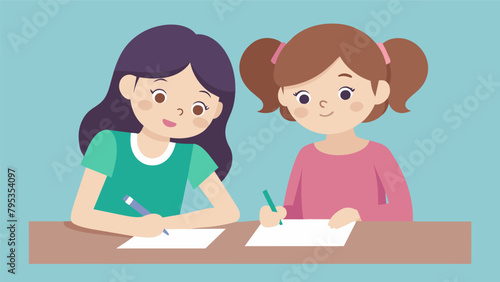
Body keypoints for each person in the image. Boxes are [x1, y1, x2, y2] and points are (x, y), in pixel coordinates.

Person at [240, 24, 428, 228]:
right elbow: (296, 214)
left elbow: (403, 212)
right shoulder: (306, 156)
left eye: (345, 93)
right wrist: (279, 215)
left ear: (379, 91)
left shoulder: (379, 155)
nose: (323, 105)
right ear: (283, 96)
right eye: (304, 97)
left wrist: (360, 215)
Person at [71, 25, 239, 237]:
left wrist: (168, 223)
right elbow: (81, 214)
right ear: (129, 86)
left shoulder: (193, 156)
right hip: (104, 246)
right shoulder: (108, 143)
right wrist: (134, 227)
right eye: (160, 95)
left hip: (160, 250)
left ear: (216, 111)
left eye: (197, 108)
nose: (177, 111)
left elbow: (228, 212)